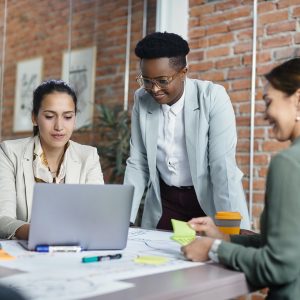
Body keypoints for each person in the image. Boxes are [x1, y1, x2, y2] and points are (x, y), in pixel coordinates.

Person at [181, 58, 300, 299]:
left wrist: (214, 250)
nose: (265, 114)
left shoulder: (288, 164)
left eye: (268, 103)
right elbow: (288, 247)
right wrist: (226, 238)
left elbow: (279, 266)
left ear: (297, 100)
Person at [124, 31, 250, 230]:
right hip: (166, 203)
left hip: (205, 202)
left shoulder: (212, 97)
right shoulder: (142, 99)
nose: (154, 89)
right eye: (147, 80)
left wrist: (235, 230)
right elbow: (138, 162)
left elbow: (222, 167)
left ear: (183, 73)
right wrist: (124, 218)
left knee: (210, 258)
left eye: (162, 80)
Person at [0, 79, 104, 240]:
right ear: (34, 118)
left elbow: (97, 215)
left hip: (74, 248)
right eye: (49, 116)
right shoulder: (9, 152)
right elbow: (2, 220)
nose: (59, 126)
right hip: (25, 251)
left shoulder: (88, 156)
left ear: (75, 118)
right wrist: (39, 233)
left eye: (68, 117)